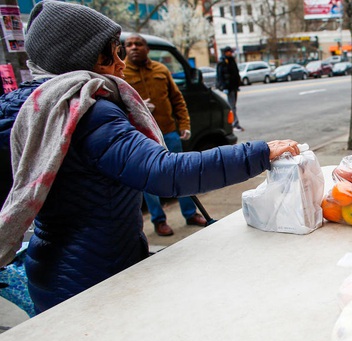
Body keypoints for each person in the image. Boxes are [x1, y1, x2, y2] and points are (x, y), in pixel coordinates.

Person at [0, 1, 300, 313]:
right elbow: (164, 173)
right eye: (112, 53)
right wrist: (259, 153)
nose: (120, 64)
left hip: (51, 271)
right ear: (82, 57)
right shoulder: (87, 113)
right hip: (96, 281)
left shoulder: (26, 111)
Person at [123, 34, 206, 236]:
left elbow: (177, 99)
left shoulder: (161, 70)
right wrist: (137, 108)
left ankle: (190, 213)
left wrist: (184, 124)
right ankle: (159, 220)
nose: (134, 47)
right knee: (148, 180)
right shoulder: (120, 74)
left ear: (147, 48)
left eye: (138, 44)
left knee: (179, 173)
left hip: (168, 132)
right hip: (140, 138)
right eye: (129, 45)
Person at [216, 46, 243, 131]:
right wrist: (224, 86)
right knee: (232, 106)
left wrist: (238, 84)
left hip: (233, 86)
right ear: (226, 52)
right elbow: (220, 75)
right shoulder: (223, 61)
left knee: (233, 105)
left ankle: (234, 122)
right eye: (229, 52)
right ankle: (234, 123)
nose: (231, 53)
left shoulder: (231, 60)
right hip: (229, 87)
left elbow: (235, 73)